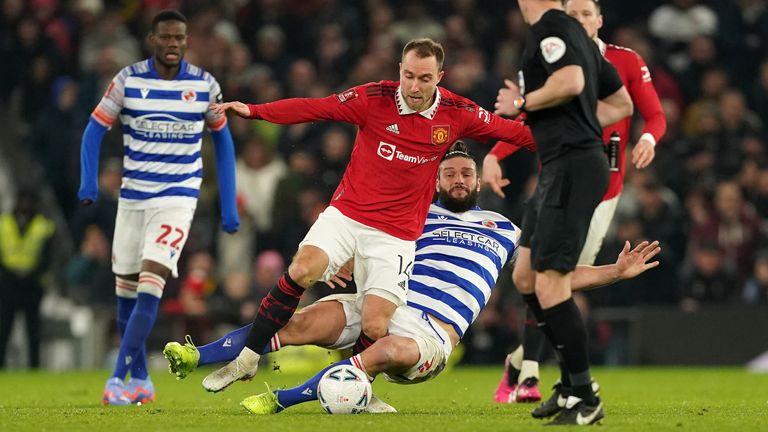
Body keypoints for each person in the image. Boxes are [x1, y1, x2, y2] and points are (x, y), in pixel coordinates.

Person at [161, 141, 661, 416]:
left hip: (430, 332)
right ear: (438, 181)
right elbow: (364, 241)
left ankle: (281, 400)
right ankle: (196, 357)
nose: (460, 180)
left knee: (388, 352)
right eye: (451, 175)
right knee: (298, 322)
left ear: (477, 180)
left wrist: (614, 272)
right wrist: (343, 263)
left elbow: (554, 277)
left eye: (466, 173)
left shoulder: (505, 229)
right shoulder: (413, 215)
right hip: (383, 301)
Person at [203, 38, 536, 393]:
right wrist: (255, 111)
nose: (414, 86)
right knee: (303, 268)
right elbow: (316, 107)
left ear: (440, 76)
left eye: (424, 78)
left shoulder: (457, 112)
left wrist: (577, 137)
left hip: (395, 234)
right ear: (400, 70)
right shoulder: (373, 98)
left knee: (376, 326)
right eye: (408, 75)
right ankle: (247, 359)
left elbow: (519, 133)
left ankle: (358, 390)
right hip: (348, 214)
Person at [487, 0, 667, 406]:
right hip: (557, 171)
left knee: (554, 281)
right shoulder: (572, 48)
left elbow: (640, 110)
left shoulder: (592, 50)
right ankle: (532, 368)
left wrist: (647, 138)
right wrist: (496, 153)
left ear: (600, 20)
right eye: (576, 13)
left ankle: (556, 381)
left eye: (588, 14)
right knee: (526, 275)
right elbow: (597, 105)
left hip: (589, 181)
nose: (581, 19)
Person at [77, 9, 239, 406]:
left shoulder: (205, 85)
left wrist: (228, 205)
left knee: (152, 282)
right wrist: (88, 181)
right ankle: (143, 380)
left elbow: (223, 141)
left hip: (177, 198)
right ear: (152, 39)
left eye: (179, 38)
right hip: (133, 198)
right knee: (125, 293)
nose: (173, 44)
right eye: (165, 37)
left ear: (186, 41)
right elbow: (94, 128)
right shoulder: (128, 80)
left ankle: (117, 378)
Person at [0, 187, 55, 369]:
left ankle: (34, 365)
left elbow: (48, 256)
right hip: (8, 283)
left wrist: (33, 273)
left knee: (33, 329)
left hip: (33, 283)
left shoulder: (43, 226)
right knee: (4, 327)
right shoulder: (4, 223)